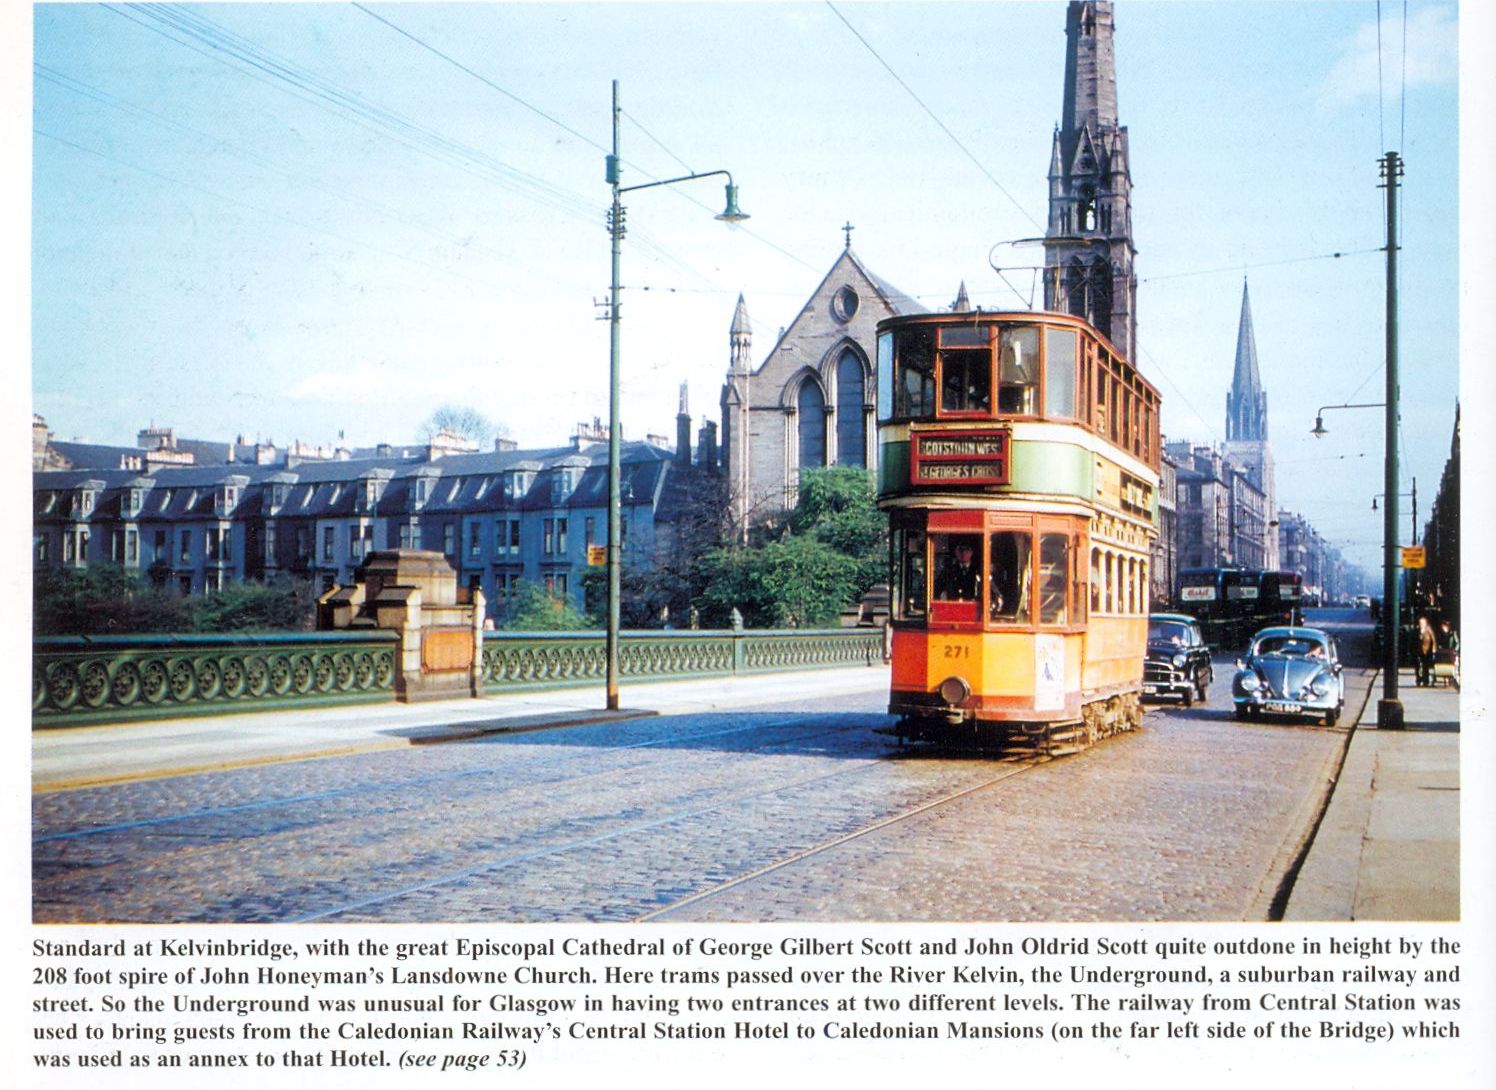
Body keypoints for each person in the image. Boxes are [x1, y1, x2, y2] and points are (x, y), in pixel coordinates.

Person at [1415, 615, 1437, 687]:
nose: (1420, 624)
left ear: (1425, 623)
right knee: (1418, 665)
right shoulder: (1417, 630)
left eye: (1422, 623)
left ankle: (1425, 680)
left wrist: (1433, 649)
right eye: (1420, 623)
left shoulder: (1429, 630)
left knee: (1426, 666)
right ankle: (1418, 679)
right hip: (1419, 650)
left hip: (1427, 650)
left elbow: (1433, 640)